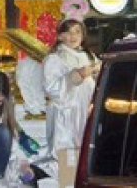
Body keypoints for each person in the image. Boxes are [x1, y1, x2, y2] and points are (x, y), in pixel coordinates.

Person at [42, 19, 99, 179]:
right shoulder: (54, 59)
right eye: (68, 32)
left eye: (77, 32)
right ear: (60, 36)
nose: (73, 36)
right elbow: (52, 89)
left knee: (86, 158)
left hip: (86, 113)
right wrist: (76, 75)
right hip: (66, 117)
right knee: (67, 162)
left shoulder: (89, 56)